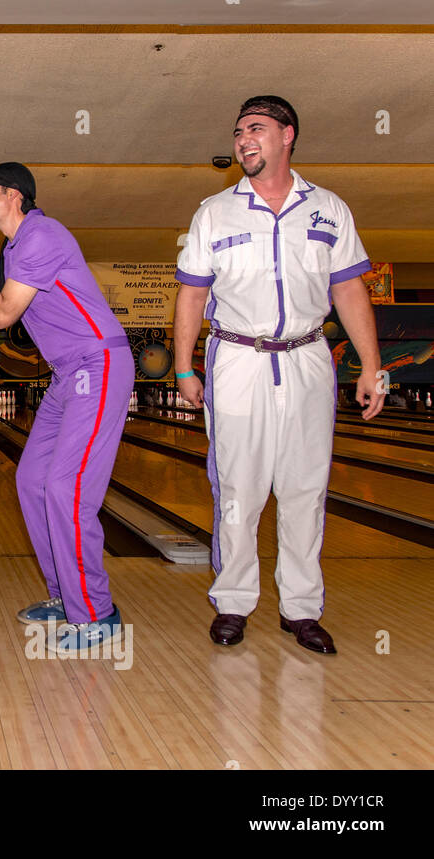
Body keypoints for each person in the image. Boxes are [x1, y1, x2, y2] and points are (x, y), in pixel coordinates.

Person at [174, 96, 382, 654]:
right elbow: (192, 294)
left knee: (305, 487)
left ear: (287, 135)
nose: (243, 138)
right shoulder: (214, 212)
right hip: (237, 359)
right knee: (239, 488)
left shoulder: (329, 209)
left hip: (309, 358)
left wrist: (371, 364)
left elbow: (348, 289)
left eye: (256, 129)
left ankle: (301, 609)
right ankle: (235, 603)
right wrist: (183, 366)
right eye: (239, 130)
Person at [0, 163, 131, 652]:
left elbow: (5, 311)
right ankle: (64, 597)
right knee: (32, 482)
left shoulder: (41, 234)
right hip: (68, 374)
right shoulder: (11, 251)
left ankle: (96, 615)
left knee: (67, 489)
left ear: (13, 194)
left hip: (100, 363)